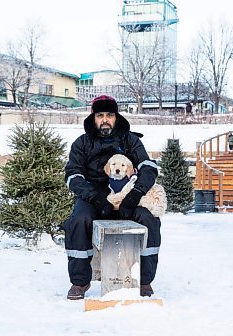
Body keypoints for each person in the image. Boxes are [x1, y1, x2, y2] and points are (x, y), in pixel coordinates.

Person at [63, 95, 161, 300]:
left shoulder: (131, 140)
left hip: (127, 194)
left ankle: (145, 281)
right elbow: (72, 176)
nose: (105, 119)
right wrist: (95, 198)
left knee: (149, 219)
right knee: (78, 220)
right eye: (100, 115)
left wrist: (135, 195)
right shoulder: (82, 143)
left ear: (116, 117)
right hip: (94, 197)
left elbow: (149, 168)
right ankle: (80, 282)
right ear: (93, 117)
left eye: (109, 115)